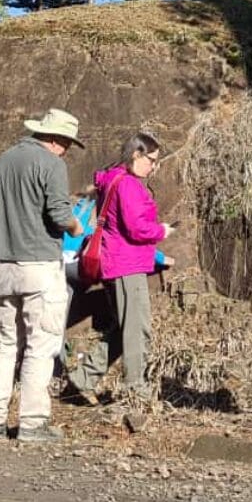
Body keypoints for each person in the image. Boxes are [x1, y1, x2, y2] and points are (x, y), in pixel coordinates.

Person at [0, 109, 84, 443]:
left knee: (6, 343)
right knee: (42, 344)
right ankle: (32, 422)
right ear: (54, 138)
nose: (66, 149)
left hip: (3, 264)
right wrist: (75, 224)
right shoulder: (51, 163)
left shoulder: (3, 161)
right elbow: (57, 213)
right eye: (66, 142)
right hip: (39, 265)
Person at [62, 186, 171, 404]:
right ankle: (134, 390)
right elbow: (124, 235)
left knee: (53, 328)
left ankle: (79, 378)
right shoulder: (115, 199)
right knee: (132, 327)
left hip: (61, 264)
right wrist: (160, 257)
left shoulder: (79, 202)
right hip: (99, 264)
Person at [93, 133, 174, 400]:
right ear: (136, 155)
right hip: (128, 264)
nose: (154, 167)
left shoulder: (112, 179)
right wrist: (160, 230)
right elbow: (136, 228)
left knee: (123, 328)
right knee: (137, 329)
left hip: (117, 262)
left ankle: (83, 376)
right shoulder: (128, 185)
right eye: (152, 160)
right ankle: (135, 388)